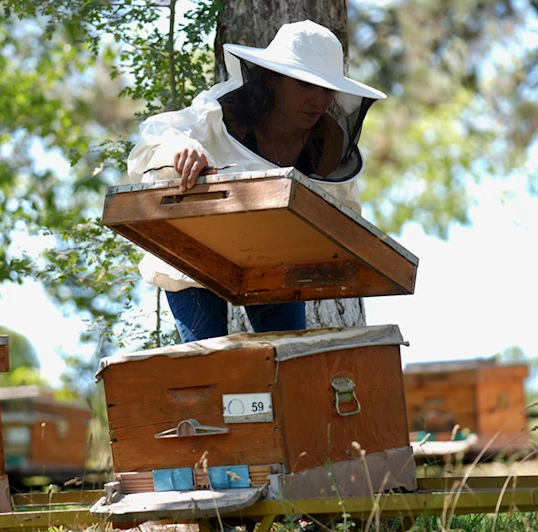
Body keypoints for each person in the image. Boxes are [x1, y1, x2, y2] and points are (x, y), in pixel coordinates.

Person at [126, 20, 386, 343]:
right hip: (197, 256)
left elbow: (345, 217)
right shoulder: (220, 112)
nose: (318, 101)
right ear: (273, 79)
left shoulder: (329, 145)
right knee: (208, 365)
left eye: (326, 88)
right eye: (306, 84)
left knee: (287, 359)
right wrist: (181, 147)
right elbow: (154, 140)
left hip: (271, 261)